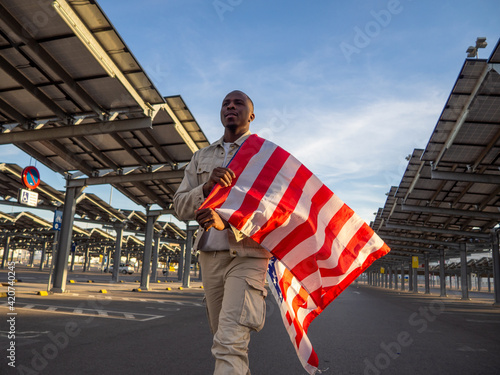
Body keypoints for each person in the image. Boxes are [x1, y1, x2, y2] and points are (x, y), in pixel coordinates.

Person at [173, 90, 271, 374]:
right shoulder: (201, 157)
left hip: (248, 254)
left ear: (251, 115)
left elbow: (275, 211)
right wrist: (204, 189)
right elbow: (179, 206)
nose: (231, 106)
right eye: (226, 103)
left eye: (238, 103)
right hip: (210, 256)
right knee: (225, 339)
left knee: (229, 342)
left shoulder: (265, 155)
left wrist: (227, 222)